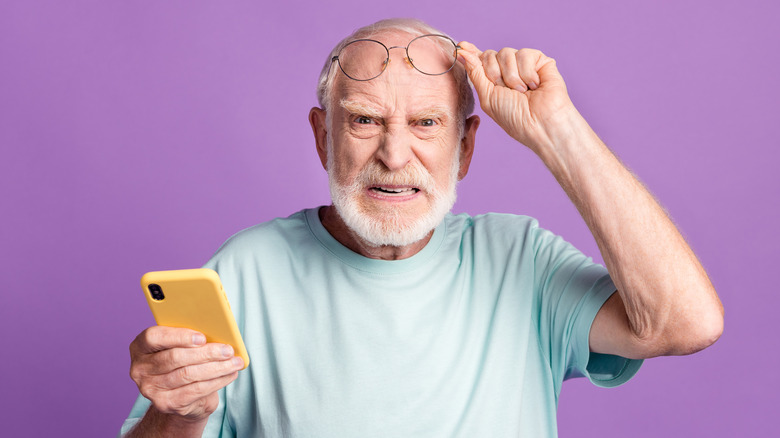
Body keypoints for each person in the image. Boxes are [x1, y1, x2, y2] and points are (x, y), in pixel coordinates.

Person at [120, 18, 723, 437]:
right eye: (363, 121)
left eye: (427, 123)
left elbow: (684, 323)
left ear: (465, 148)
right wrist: (178, 413)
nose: (394, 154)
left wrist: (557, 131)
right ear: (322, 138)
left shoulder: (520, 260)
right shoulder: (244, 271)